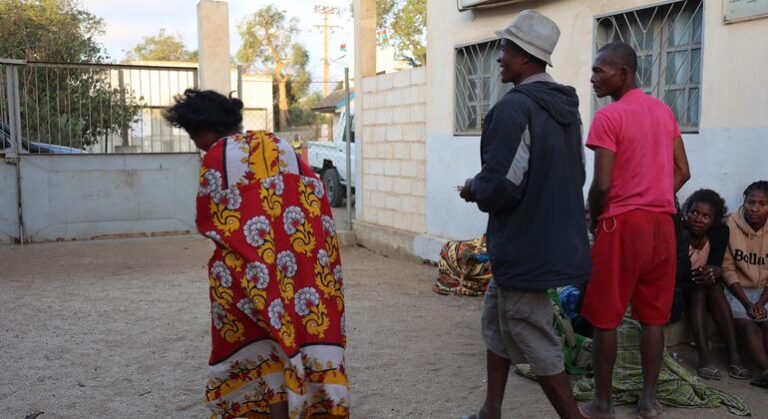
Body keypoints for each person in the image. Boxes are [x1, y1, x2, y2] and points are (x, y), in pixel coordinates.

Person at [163, 89, 349, 418]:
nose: (196, 144)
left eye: (194, 135)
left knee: (262, 355)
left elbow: (210, 219)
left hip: (243, 279)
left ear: (204, 128)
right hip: (297, 275)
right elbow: (315, 200)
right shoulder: (282, 147)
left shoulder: (216, 157)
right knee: (289, 347)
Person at [458, 10, 591, 419]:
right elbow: (575, 174)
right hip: (547, 241)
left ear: (526, 57)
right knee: (497, 322)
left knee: (533, 334)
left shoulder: (515, 108)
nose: (499, 57)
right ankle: (490, 410)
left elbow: (502, 186)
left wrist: (474, 189)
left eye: (505, 49)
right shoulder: (566, 108)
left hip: (524, 244)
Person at [579, 42, 690, 419]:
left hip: (621, 225)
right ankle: (649, 400)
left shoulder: (609, 117)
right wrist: (654, 195)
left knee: (605, 316)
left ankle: (602, 403)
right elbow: (682, 171)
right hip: (663, 225)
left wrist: (595, 216)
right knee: (653, 317)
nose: (593, 78)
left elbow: (602, 186)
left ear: (623, 74)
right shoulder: (663, 111)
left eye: (600, 71)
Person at [682, 189, 750, 380]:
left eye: (706, 216)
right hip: (681, 288)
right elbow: (676, 272)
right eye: (694, 212)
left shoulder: (720, 232)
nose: (697, 219)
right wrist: (701, 276)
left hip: (708, 287)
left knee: (711, 287)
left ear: (714, 220)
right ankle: (704, 357)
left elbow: (716, 264)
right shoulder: (679, 232)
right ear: (687, 211)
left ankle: (734, 356)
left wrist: (715, 272)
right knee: (699, 289)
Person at [722, 181, 768, 388]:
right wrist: (748, 304)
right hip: (737, 290)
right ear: (744, 201)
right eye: (751, 202)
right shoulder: (728, 225)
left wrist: (761, 301)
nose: (755, 208)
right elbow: (727, 268)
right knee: (749, 326)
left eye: (762, 204)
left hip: (764, 292)